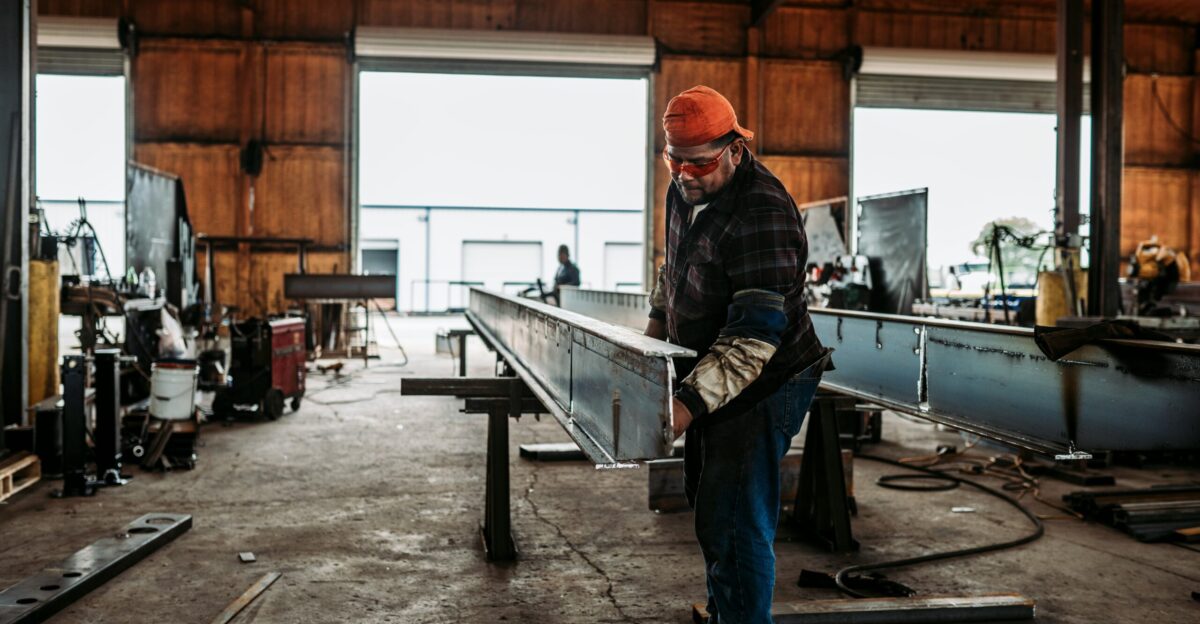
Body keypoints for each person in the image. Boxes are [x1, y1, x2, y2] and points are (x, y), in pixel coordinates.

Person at [645, 85, 831, 624]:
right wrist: (652, 352)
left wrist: (675, 413)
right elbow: (672, 272)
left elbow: (752, 342)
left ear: (733, 148)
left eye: (697, 163)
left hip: (766, 381)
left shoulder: (763, 213)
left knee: (733, 520)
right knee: (709, 503)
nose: (683, 173)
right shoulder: (684, 185)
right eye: (672, 160)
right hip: (709, 369)